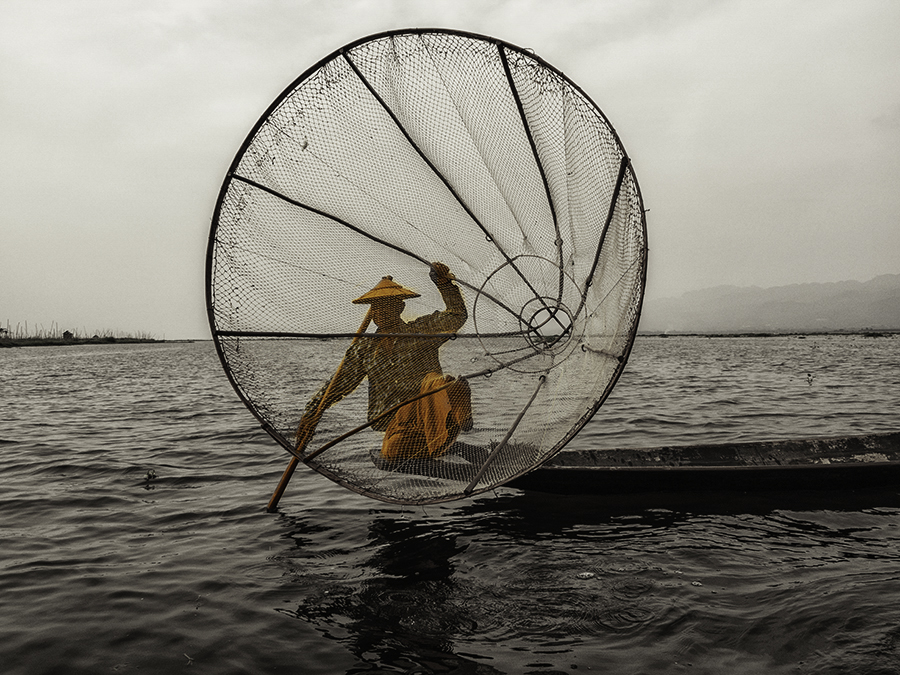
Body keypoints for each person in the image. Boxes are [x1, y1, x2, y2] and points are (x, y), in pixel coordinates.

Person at [297, 262, 474, 462]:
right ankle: (441, 445)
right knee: (395, 450)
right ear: (371, 312)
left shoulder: (421, 331)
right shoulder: (365, 348)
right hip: (393, 422)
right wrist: (314, 410)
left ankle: (457, 419)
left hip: (428, 412)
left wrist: (444, 284)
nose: (381, 313)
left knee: (438, 383)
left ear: (400, 307)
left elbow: (456, 316)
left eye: (386, 307)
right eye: (377, 308)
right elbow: (340, 383)